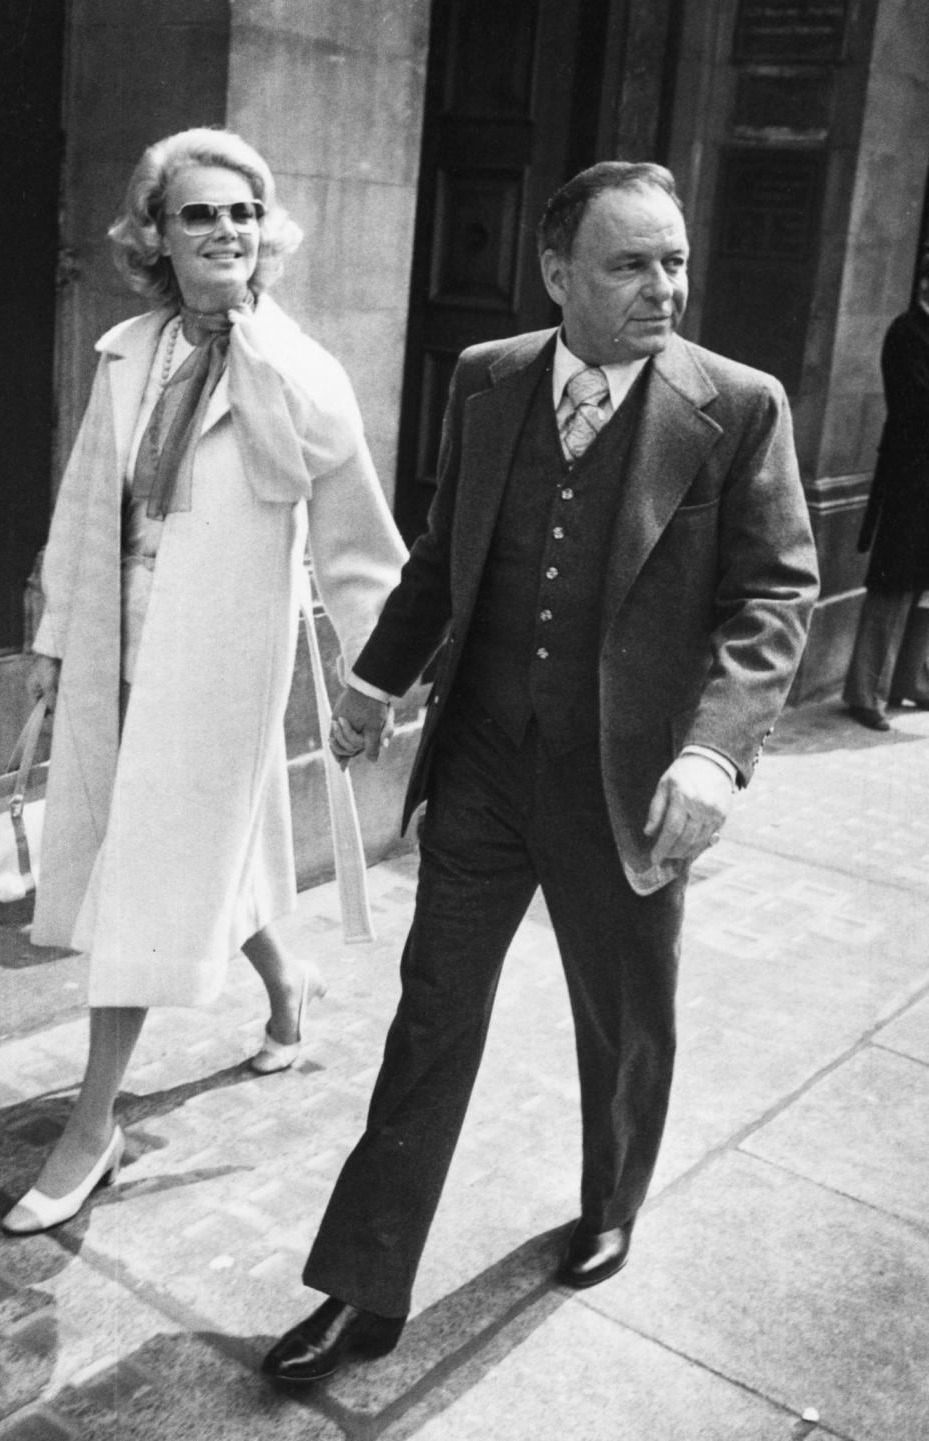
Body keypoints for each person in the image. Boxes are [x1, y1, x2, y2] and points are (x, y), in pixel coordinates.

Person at [261, 160, 820, 1388]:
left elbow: (776, 593)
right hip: (482, 771)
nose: (664, 286)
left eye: (675, 259)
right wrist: (371, 686)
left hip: (628, 785)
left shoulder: (740, 404)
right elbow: (445, 560)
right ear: (558, 272)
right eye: (630, 264)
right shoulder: (489, 379)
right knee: (430, 1021)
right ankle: (362, 1286)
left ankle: (610, 1196)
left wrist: (716, 751)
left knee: (623, 1022)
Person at [1, 127, 407, 1235]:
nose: (224, 230)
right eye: (198, 215)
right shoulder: (126, 350)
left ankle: (95, 1126)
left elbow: (347, 513)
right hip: (120, 650)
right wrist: (54, 650)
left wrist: (381, 673)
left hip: (219, 657)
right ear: (156, 236)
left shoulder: (296, 364)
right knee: (181, 851)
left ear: (265, 230)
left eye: (241, 212)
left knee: (150, 865)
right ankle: (288, 987)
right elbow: (89, 505)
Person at [843, 253, 929, 730]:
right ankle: (865, 692)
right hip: (910, 479)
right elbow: (916, 404)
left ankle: (912, 681)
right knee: (894, 581)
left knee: (926, 587)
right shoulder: (906, 333)